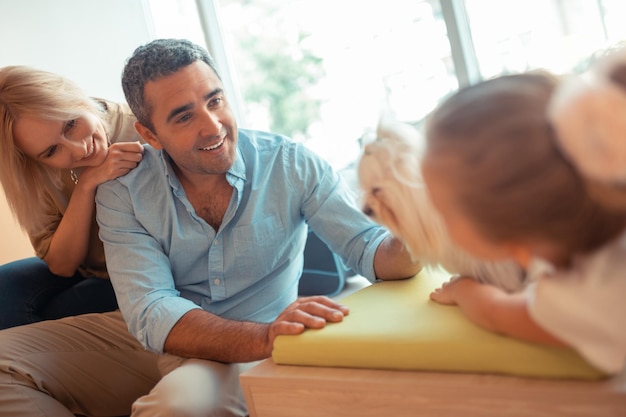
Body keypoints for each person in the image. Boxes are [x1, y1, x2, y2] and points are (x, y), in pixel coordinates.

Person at [0, 38, 420, 417]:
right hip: (153, 325)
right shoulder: (121, 190)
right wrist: (265, 337)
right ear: (149, 134)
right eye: (183, 117)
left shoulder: (289, 163)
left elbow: (370, 250)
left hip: (241, 333)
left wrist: (420, 222)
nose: (212, 126)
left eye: (215, 101)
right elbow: (149, 309)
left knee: (180, 405)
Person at [421, 49, 626, 375]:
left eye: (443, 211)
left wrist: (462, 289)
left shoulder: (585, 297)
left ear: (504, 224)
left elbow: (495, 312)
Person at [0, 66, 145, 329]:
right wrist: (86, 184)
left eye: (70, 124)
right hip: (88, 268)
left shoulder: (141, 126)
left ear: (77, 99)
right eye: (52, 151)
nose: (79, 150)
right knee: (4, 290)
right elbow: (62, 265)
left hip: (138, 270)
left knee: (59, 312)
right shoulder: (35, 173)